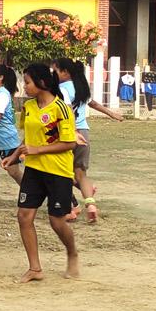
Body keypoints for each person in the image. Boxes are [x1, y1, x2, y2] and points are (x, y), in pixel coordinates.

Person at [3, 64, 79, 283]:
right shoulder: (28, 107)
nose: (24, 86)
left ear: (42, 83)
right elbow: (29, 138)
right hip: (34, 171)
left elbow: (69, 143)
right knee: (23, 216)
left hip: (58, 172)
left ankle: (72, 252)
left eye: (27, 82)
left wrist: (37, 150)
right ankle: (35, 268)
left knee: (57, 222)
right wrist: (15, 155)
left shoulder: (61, 109)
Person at [54, 58, 123, 223]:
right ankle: (90, 205)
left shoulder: (61, 89)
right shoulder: (81, 87)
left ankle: (71, 208)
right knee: (81, 174)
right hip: (84, 132)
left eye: (55, 71)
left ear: (65, 72)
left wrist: (71, 131)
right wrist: (112, 114)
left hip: (68, 133)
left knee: (59, 173)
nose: (53, 74)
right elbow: (94, 104)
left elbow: (67, 111)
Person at [0, 63, 24, 187]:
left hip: (6, 139)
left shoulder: (2, 94)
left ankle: (29, 192)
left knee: (13, 171)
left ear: (1, 77)